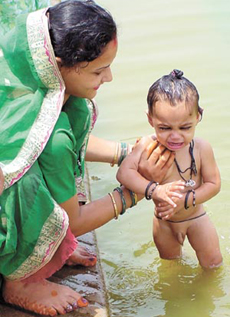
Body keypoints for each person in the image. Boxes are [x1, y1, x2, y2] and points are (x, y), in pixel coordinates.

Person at [0, 1, 175, 316]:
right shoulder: (53, 137)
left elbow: (46, 140)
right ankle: (20, 281)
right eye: (98, 69)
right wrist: (136, 191)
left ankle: (50, 250)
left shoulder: (32, 79)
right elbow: (73, 220)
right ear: (57, 63)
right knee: (30, 193)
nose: (108, 78)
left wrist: (124, 153)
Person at [117, 69, 223, 269]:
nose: (175, 137)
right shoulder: (147, 145)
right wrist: (154, 190)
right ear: (150, 120)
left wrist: (185, 200)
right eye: (164, 128)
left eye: (185, 128)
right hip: (163, 223)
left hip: (196, 218)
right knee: (170, 268)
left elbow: (214, 184)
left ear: (198, 117)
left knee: (213, 264)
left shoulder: (201, 148)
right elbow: (124, 173)